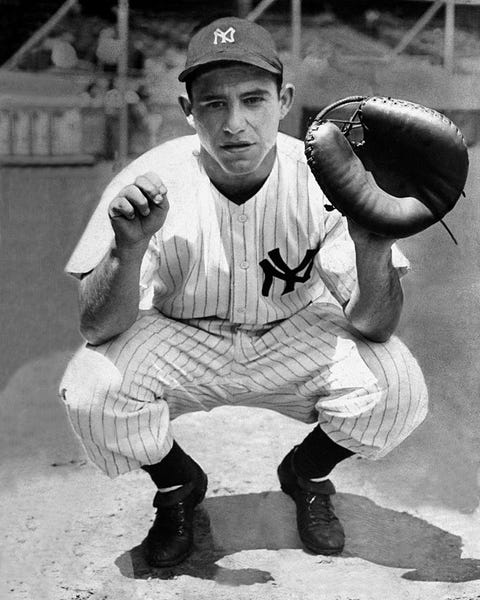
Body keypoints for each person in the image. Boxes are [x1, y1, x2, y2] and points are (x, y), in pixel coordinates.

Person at [60, 16, 428, 568]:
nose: (235, 123)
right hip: (183, 337)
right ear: (189, 111)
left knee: (398, 386)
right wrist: (126, 250)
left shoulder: (327, 176)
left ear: (284, 100)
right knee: (91, 389)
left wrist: (372, 247)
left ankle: (306, 475)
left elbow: (374, 326)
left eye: (253, 99)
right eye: (214, 104)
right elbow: (96, 329)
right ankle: (177, 487)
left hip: (294, 334)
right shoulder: (151, 177)